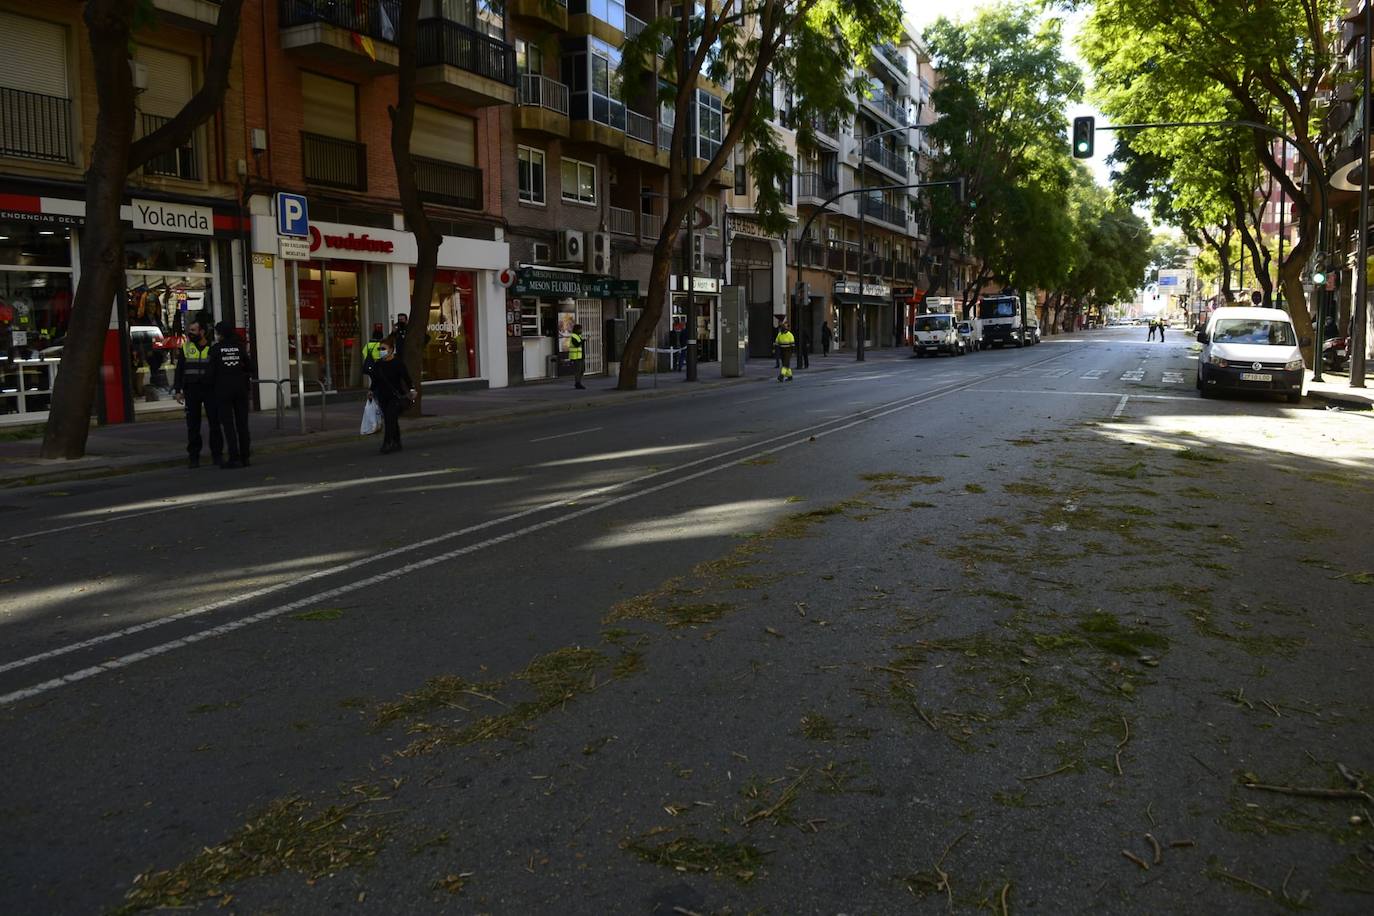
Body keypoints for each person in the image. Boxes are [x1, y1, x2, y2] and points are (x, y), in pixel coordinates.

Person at [173, 320, 222, 468]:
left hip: (210, 390)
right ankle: (194, 457)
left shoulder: (213, 348)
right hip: (192, 390)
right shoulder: (186, 348)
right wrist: (177, 390)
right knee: (193, 425)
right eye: (190, 331)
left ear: (202, 332)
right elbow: (179, 370)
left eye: (193, 330)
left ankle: (217, 455)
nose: (190, 333)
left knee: (215, 423)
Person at [209, 320, 255, 469]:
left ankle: (234, 457)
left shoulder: (216, 350)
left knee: (228, 425)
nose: (216, 335)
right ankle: (245, 457)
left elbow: (210, 372)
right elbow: (250, 367)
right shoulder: (239, 347)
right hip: (240, 389)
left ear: (220, 334)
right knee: (242, 424)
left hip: (223, 390)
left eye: (217, 333)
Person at [368, 335, 416, 454]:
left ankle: (387, 443)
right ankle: (397, 442)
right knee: (392, 420)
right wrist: (371, 390)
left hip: (395, 396)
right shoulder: (378, 364)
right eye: (379, 349)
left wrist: (412, 389)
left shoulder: (398, 363)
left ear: (391, 350)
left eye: (383, 349)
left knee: (390, 419)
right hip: (382, 396)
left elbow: (407, 378)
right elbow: (375, 380)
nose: (381, 351)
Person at [568, 323, 586, 389]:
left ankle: (579, 382)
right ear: (577, 329)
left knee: (582, 370)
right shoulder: (573, 336)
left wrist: (583, 340)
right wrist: (583, 341)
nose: (581, 330)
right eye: (580, 329)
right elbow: (577, 344)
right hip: (576, 357)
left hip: (581, 356)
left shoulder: (579, 336)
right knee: (578, 371)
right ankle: (577, 383)